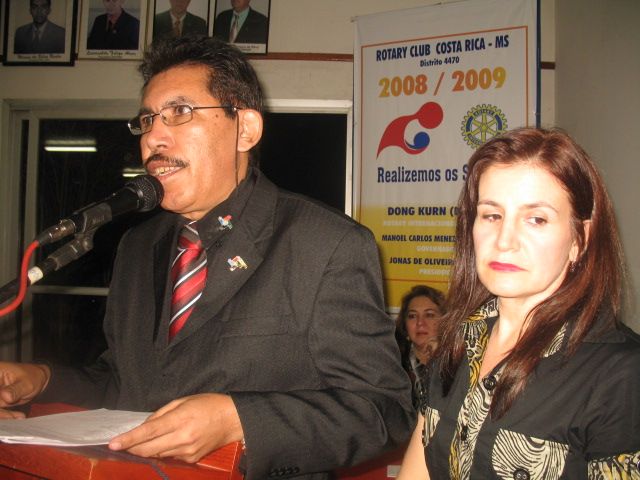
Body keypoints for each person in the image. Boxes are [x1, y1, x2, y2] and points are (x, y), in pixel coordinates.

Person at [0, 35, 414, 480]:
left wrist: (239, 421)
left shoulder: (326, 243)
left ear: (245, 129)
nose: (152, 137)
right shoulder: (137, 247)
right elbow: (124, 382)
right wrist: (42, 379)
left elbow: (384, 410)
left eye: (180, 112)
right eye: (147, 119)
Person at [398, 127, 640, 479]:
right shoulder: (456, 341)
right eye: (491, 215)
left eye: (536, 219)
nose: (504, 241)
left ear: (580, 239)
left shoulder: (621, 375)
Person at [395, 285, 445, 409]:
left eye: (429, 315)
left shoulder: (457, 362)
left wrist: (438, 360)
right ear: (405, 324)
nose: (420, 323)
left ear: (445, 321)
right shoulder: (393, 361)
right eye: (412, 316)